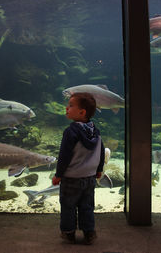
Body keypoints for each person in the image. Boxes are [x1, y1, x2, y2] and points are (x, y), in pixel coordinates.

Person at [52, 92, 105, 245]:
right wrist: (99, 169)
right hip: (89, 178)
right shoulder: (95, 131)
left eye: (70, 105)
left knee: (68, 206)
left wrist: (58, 174)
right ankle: (89, 233)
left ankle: (69, 233)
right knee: (86, 206)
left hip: (71, 179)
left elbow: (64, 156)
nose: (66, 108)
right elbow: (101, 151)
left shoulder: (71, 132)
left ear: (82, 112)